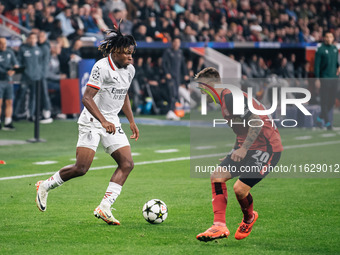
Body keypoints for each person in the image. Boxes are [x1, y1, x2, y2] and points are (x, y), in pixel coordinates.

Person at [35, 26, 139, 226]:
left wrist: (131, 121)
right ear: (115, 51)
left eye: (131, 52)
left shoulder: (130, 70)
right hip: (93, 120)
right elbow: (87, 98)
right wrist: (103, 121)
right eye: (127, 52)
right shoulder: (102, 66)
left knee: (127, 164)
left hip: (112, 121)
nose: (130, 56)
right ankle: (45, 186)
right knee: (82, 168)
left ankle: (105, 207)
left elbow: (123, 94)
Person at [195, 67, 283, 242]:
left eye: (202, 88)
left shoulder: (230, 97)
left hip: (267, 148)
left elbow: (256, 123)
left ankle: (249, 218)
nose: (201, 93)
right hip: (251, 146)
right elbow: (242, 130)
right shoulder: (225, 99)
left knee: (239, 189)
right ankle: (218, 226)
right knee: (217, 176)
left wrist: (243, 150)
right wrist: (236, 149)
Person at [14, 32, 43, 121]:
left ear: (36, 40)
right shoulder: (23, 49)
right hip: (25, 77)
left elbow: (40, 63)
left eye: (34, 38)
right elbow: (18, 61)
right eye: (31, 38)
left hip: (36, 77)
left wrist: (39, 73)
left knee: (33, 97)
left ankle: (31, 115)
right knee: (20, 95)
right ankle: (14, 114)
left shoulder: (39, 50)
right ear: (28, 39)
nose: (33, 40)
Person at [314, 31, 340, 130]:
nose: (329, 39)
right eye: (327, 37)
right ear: (324, 38)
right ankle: (328, 123)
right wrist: (317, 79)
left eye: (331, 37)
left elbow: (337, 63)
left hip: (334, 78)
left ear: (333, 38)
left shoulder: (334, 49)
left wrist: (339, 67)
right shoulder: (320, 50)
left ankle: (319, 119)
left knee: (331, 102)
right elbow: (316, 66)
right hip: (324, 78)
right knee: (324, 101)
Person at [162, 37, 189, 120]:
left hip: (177, 77)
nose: (177, 44)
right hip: (171, 77)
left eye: (178, 42)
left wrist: (185, 74)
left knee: (176, 94)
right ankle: (170, 111)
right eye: (175, 42)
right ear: (172, 43)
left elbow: (183, 65)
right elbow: (164, 63)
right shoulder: (168, 52)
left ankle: (174, 112)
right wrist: (166, 73)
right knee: (172, 94)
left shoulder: (180, 52)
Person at [0, 37, 19, 130]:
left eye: (5, 43)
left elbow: (16, 63)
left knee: (9, 101)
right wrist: (5, 72)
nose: (3, 45)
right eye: (1, 43)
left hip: (8, 80)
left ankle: (8, 122)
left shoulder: (9, 52)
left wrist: (14, 70)